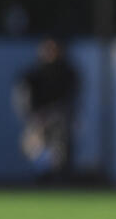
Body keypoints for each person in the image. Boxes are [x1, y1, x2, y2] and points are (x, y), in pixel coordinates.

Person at [12, 37, 81, 183]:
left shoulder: (68, 74)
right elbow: (23, 100)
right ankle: (41, 177)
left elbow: (69, 101)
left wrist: (51, 115)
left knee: (60, 149)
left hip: (59, 121)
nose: (51, 53)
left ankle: (60, 178)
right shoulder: (33, 75)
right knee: (34, 148)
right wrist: (35, 116)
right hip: (37, 121)